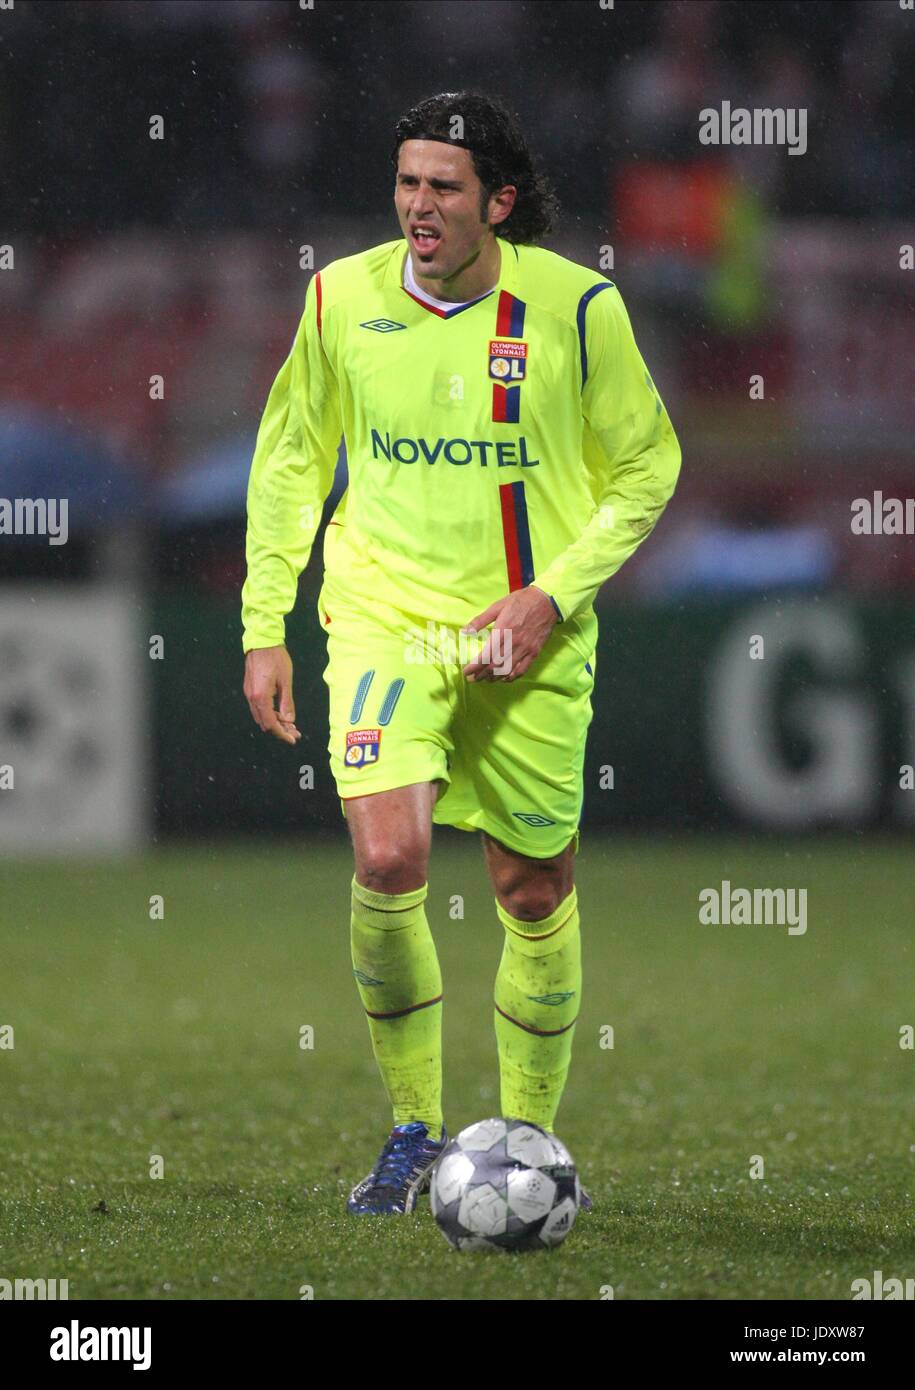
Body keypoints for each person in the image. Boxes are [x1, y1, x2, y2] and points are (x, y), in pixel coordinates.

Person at [241, 91, 681, 1215]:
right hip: (385, 615)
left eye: (441, 187)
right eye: (405, 183)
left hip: (527, 633)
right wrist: (264, 624)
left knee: (531, 889)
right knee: (389, 859)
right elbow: (293, 461)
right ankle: (412, 1131)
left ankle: (527, 1136)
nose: (417, 207)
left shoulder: (580, 310)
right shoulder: (341, 297)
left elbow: (647, 471)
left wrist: (550, 595)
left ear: (501, 201)